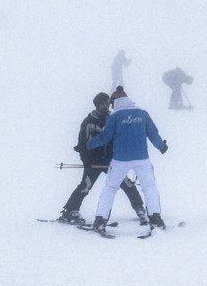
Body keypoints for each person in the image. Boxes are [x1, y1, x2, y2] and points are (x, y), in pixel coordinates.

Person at [60, 92, 149, 225]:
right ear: (97, 105)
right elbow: (82, 144)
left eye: (108, 103)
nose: (106, 106)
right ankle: (70, 210)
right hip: (93, 161)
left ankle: (139, 208)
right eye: (103, 104)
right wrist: (87, 161)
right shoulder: (89, 121)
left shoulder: (113, 118)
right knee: (86, 185)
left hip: (110, 160)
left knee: (127, 183)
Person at [87, 86, 168, 232]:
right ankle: (155, 218)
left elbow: (105, 137)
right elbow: (153, 133)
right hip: (142, 159)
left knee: (110, 188)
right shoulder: (142, 114)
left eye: (111, 102)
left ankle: (100, 220)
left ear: (116, 102)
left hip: (120, 160)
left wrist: (90, 144)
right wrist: (162, 147)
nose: (110, 105)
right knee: (149, 188)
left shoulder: (115, 117)